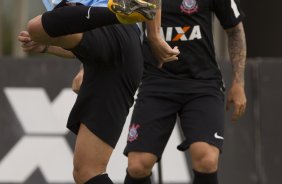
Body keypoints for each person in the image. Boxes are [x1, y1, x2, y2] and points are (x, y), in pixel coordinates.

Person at [19, 1, 179, 184]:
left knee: (36, 27)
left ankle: (117, 13)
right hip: (117, 52)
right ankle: (119, 13)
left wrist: (154, 35)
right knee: (86, 172)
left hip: (117, 33)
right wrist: (48, 45)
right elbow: (79, 32)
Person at [120, 0, 247, 183]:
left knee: (206, 159)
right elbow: (112, 18)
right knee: (138, 165)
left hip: (203, 83)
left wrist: (239, 82)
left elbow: (234, 30)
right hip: (156, 82)